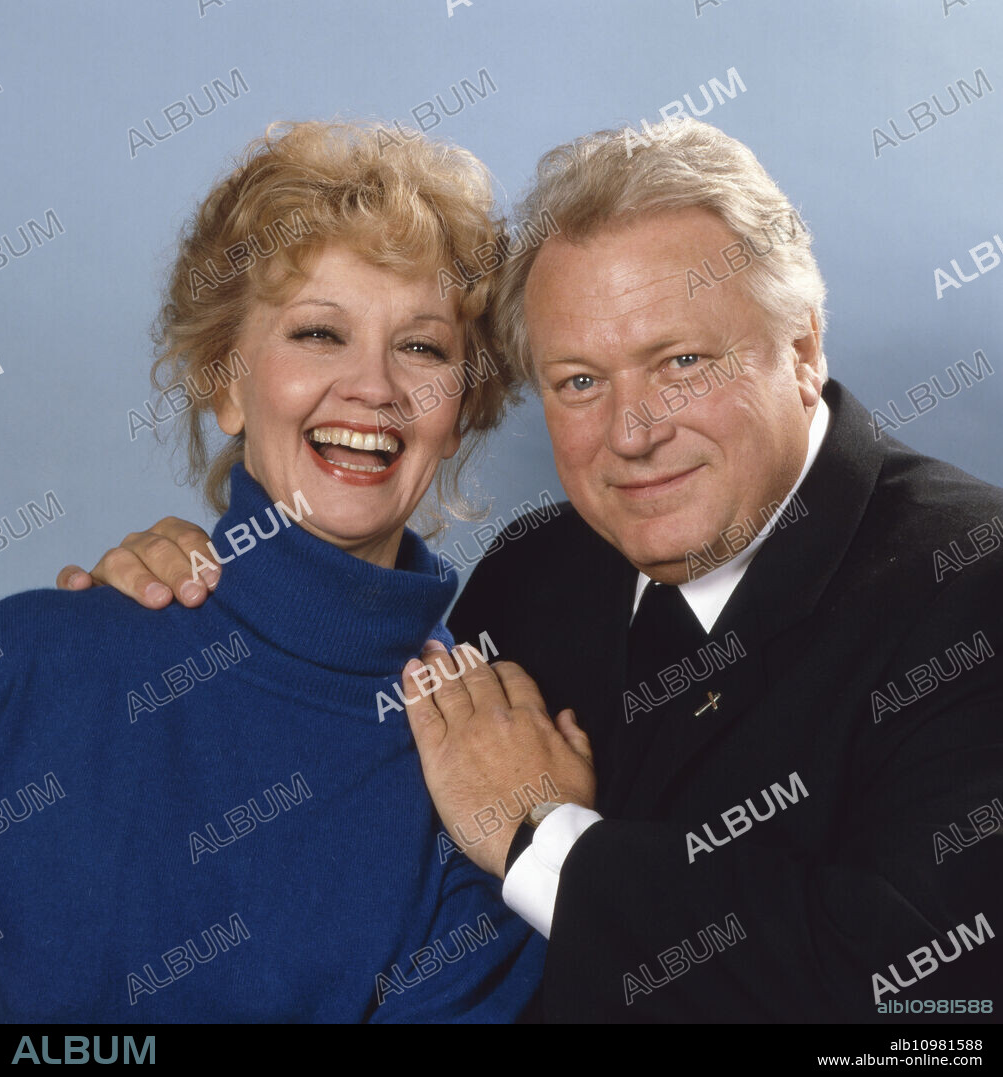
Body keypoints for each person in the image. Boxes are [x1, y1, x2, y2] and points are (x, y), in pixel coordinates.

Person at [57, 119, 1003, 1024]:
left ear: (799, 349)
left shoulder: (972, 580)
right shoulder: (539, 571)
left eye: (678, 361)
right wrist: (188, 594)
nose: (632, 434)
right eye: (580, 380)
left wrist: (539, 837)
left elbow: (938, 1012)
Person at [0, 119, 546, 1023]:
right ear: (225, 383)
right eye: (319, 333)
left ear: (464, 406)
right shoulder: (30, 658)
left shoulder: (485, 771)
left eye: (422, 346)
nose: (372, 386)